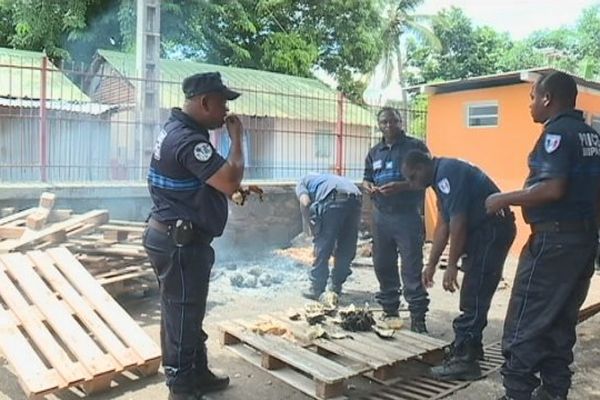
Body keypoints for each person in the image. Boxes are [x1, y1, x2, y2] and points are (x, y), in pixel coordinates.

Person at [485, 71, 600, 400]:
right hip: (582, 242)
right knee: (560, 327)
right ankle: (553, 393)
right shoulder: (590, 136)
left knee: (523, 327)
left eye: (533, 97)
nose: (530, 105)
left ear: (548, 98)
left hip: (553, 244)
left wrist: (502, 198)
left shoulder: (558, 134)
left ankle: (517, 394)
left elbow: (553, 188)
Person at [142, 72, 245, 400]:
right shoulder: (189, 140)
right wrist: (237, 139)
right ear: (205, 102)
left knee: (185, 313)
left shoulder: (179, 129)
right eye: (223, 103)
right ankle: (182, 388)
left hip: (172, 236)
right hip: (179, 243)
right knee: (183, 316)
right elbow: (227, 180)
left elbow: (206, 182)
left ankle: (196, 373)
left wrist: (235, 188)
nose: (226, 111)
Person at [402, 151, 516, 380]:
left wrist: (452, 265)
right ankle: (471, 347)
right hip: (486, 230)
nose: (411, 184)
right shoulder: (439, 178)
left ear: (423, 166)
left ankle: (466, 361)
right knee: (475, 290)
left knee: (474, 292)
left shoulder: (447, 174)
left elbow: (459, 222)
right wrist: (432, 264)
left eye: (413, 177)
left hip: (491, 231)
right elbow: (443, 223)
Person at [363, 107, 430, 333]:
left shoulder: (415, 147)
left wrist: (401, 186)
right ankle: (390, 310)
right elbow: (366, 178)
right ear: (379, 125)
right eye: (384, 122)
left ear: (401, 122)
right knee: (383, 264)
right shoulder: (374, 152)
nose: (389, 126)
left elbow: (426, 178)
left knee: (411, 267)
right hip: (381, 216)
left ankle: (418, 318)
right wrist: (369, 187)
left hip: (407, 215)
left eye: (393, 121)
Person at [296, 173, 362, 299]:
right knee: (346, 247)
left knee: (323, 244)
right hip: (356, 200)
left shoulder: (302, 182)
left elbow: (305, 202)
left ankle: (317, 288)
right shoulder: (329, 178)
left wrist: (312, 227)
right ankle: (336, 286)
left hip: (333, 199)